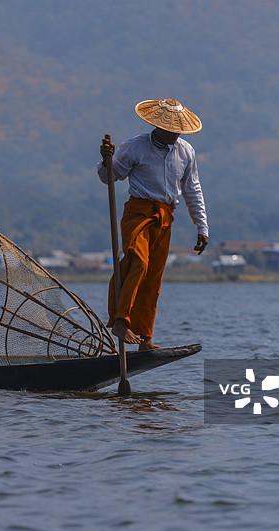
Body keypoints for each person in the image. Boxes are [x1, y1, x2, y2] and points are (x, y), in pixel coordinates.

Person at [98, 98, 209, 351]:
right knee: (138, 261)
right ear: (158, 126)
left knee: (153, 278)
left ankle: (145, 338)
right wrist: (107, 161)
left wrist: (202, 227)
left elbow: (192, 189)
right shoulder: (135, 147)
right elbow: (110, 177)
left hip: (166, 217)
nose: (176, 132)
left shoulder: (186, 152)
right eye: (171, 127)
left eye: (179, 128)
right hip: (138, 213)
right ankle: (120, 321)